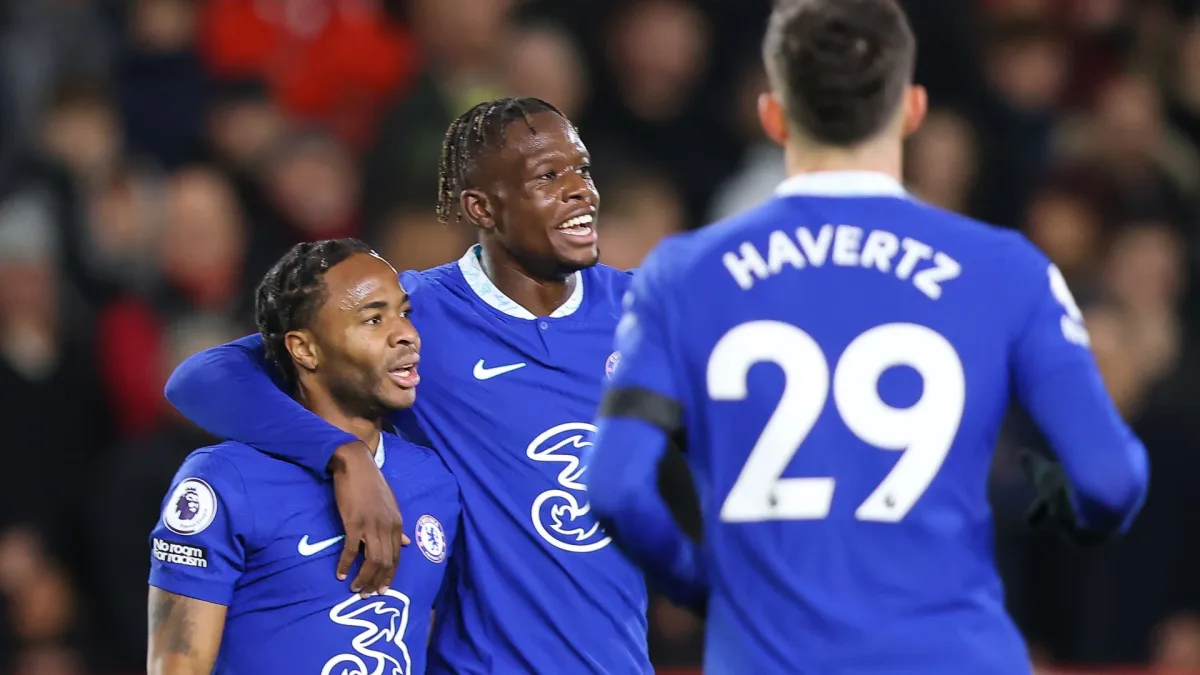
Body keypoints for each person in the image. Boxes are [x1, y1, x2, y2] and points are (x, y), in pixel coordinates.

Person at [584, 1, 1150, 673]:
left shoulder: (681, 275)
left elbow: (616, 485)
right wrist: (1038, 493)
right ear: (911, 110)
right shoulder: (1006, 268)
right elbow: (1110, 480)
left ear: (773, 115)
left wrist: (700, 582)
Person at [163, 98, 655, 673]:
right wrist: (342, 455)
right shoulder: (418, 316)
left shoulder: (648, 312)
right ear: (481, 207)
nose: (580, 190)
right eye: (549, 175)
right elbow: (200, 380)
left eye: (583, 169)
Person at [147, 239, 460, 674]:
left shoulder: (433, 479)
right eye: (373, 319)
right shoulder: (224, 481)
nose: (406, 333)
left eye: (404, 313)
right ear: (305, 350)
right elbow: (177, 667)